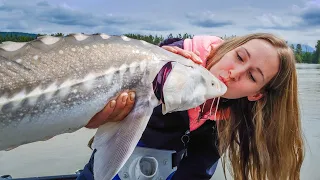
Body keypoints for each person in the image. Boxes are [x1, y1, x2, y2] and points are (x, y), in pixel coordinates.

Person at [78, 33, 304, 180]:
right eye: (239, 57)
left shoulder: (233, 109)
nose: (233, 73)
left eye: (252, 76)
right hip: (112, 162)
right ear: (229, 48)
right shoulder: (169, 60)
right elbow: (96, 105)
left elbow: (200, 163)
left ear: (256, 95)